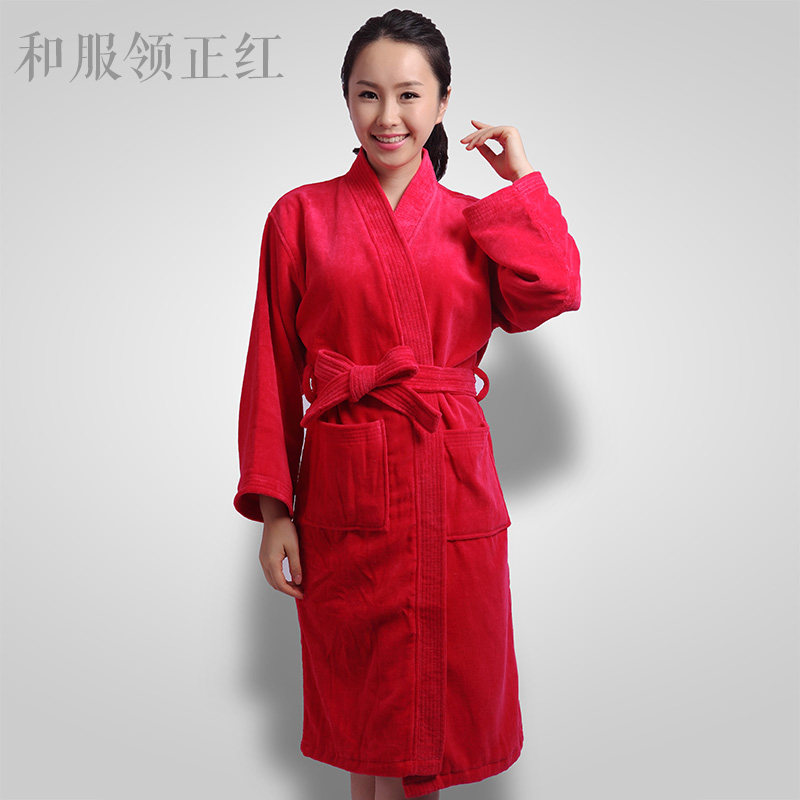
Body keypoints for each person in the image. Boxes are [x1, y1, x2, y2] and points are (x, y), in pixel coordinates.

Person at [234, 8, 581, 799]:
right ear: (346, 100)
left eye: (409, 95)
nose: (387, 117)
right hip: (344, 487)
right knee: (368, 711)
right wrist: (275, 510)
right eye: (367, 94)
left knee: (439, 701)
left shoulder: (474, 222)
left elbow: (555, 289)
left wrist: (521, 182)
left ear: (443, 102)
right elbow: (271, 369)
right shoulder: (300, 216)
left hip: (450, 480)